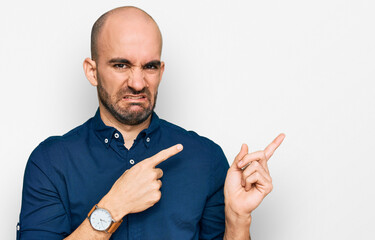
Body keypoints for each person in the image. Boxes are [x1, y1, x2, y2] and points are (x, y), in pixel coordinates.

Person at [18, 6, 285, 240]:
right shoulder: (50, 162)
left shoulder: (207, 158)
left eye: (150, 66)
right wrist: (112, 208)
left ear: (161, 71)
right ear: (92, 71)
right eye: (121, 65)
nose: (137, 83)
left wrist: (238, 219)